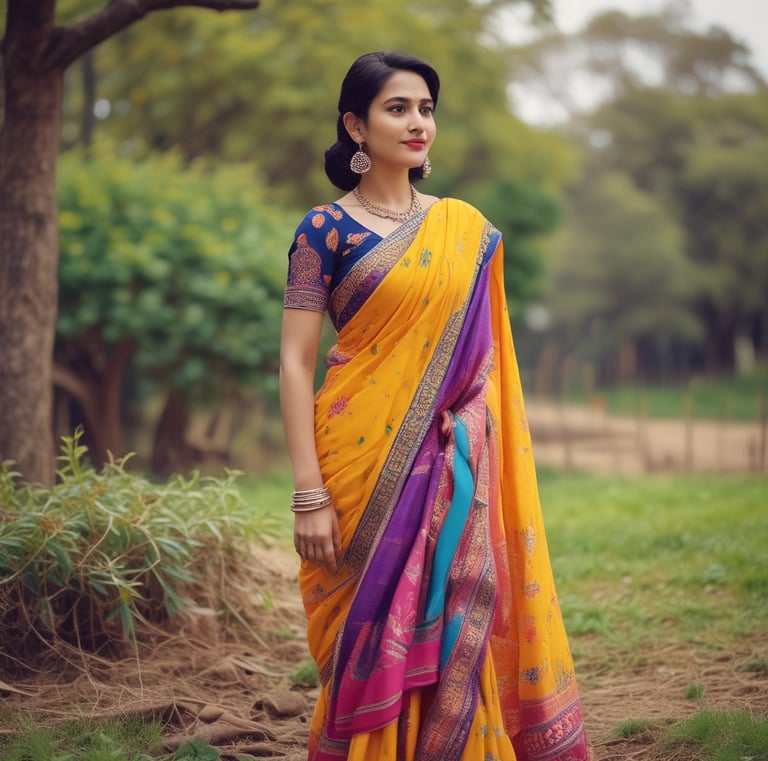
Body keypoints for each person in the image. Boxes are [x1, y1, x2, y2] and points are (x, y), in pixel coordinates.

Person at [279, 50, 590, 761]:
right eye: (397, 108)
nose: (418, 122)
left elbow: (483, 367)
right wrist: (308, 492)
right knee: (358, 624)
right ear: (356, 126)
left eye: (425, 108)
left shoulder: (466, 231)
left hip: (453, 461)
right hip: (355, 460)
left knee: (452, 612)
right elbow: (295, 362)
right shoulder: (324, 230)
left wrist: (466, 435)